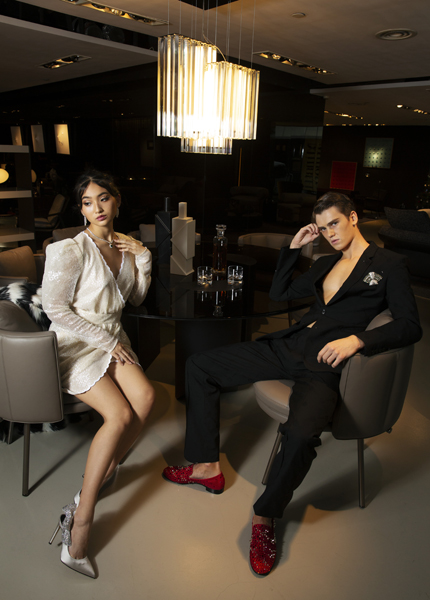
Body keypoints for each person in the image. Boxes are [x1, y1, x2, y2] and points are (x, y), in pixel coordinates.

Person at [162, 192, 422, 576]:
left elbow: (410, 325)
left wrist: (358, 340)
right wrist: (294, 249)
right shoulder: (326, 262)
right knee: (200, 366)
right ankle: (205, 466)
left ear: (353, 218)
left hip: (324, 364)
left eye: (335, 223)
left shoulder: (388, 264)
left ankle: (265, 516)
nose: (331, 233)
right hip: (288, 346)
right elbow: (280, 293)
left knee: (300, 436)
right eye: (324, 228)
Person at [43, 170, 154, 578]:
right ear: (81, 209)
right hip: (76, 343)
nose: (97, 208)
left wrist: (143, 257)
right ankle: (81, 522)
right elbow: (56, 310)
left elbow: (135, 298)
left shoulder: (125, 246)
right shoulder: (69, 249)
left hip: (112, 338)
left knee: (146, 399)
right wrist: (106, 342)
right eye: (88, 202)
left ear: (117, 200)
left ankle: (95, 480)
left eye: (103, 198)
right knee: (119, 415)